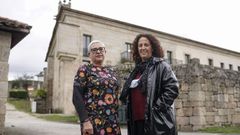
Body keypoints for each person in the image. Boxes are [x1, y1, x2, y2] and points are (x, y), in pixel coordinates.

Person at [120, 33, 179, 135]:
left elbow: (172, 88)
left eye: (146, 45)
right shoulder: (136, 70)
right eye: (140, 45)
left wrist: (156, 109)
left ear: (153, 47)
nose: (143, 48)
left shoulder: (162, 66)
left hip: (155, 121)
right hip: (136, 121)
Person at [73, 40, 121, 135]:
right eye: (94, 50)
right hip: (93, 123)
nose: (98, 52)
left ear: (105, 52)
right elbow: (76, 97)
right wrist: (85, 121)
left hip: (112, 122)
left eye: (101, 49)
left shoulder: (111, 72)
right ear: (89, 54)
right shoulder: (85, 69)